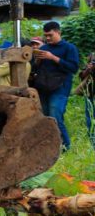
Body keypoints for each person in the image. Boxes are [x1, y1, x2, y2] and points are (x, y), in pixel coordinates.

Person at [31, 21, 79, 150]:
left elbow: (73, 68)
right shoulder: (44, 48)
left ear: (58, 32)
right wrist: (37, 61)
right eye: (45, 35)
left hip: (60, 88)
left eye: (50, 35)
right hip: (43, 87)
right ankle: (50, 147)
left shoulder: (69, 48)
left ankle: (65, 146)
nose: (47, 38)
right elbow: (35, 68)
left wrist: (53, 58)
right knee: (46, 118)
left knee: (55, 117)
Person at [75, 52, 95, 133]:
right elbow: (82, 76)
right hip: (91, 93)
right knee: (90, 118)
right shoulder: (93, 56)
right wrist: (89, 69)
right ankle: (92, 140)